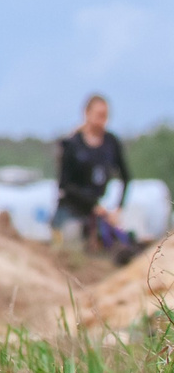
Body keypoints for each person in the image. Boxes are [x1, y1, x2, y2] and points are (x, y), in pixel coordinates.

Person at [56, 92, 133, 258]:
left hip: (99, 213)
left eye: (105, 116)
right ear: (87, 113)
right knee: (73, 246)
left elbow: (126, 177)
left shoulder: (111, 142)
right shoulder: (72, 144)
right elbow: (64, 185)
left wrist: (118, 208)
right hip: (72, 210)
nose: (102, 120)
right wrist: (93, 206)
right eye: (99, 115)